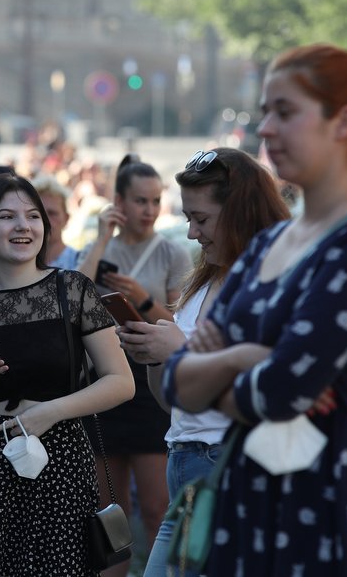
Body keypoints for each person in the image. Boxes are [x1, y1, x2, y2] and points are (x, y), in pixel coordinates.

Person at [164, 44, 347, 575]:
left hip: (338, 511)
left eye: (284, 112)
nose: (265, 128)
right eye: (265, 112)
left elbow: (281, 391)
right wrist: (251, 357)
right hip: (251, 510)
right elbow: (176, 381)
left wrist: (224, 362)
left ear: (344, 123)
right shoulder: (271, 243)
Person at [0, 173, 135, 576]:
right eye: (7, 217)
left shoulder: (73, 290)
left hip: (60, 458)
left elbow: (121, 382)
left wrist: (49, 413)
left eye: (33, 216)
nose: (23, 226)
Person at [113, 148, 290, 576]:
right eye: (188, 218)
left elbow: (277, 388)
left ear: (241, 214)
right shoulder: (202, 282)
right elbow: (169, 403)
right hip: (187, 463)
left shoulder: (273, 282)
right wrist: (155, 357)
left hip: (228, 467)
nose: (191, 233)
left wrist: (178, 353)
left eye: (202, 219)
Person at [77, 156, 191, 574]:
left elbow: (181, 326)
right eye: (139, 201)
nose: (149, 210)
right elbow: (72, 301)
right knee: (110, 511)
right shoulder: (99, 249)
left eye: (156, 200)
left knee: (158, 507)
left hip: (148, 385)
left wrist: (140, 298)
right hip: (102, 382)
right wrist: (102, 239)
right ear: (118, 203)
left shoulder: (172, 253)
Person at [32, 174, 79, 270]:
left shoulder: (79, 261)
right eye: (37, 214)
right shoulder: (19, 262)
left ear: (66, 219)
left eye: (52, 213)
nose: (44, 219)